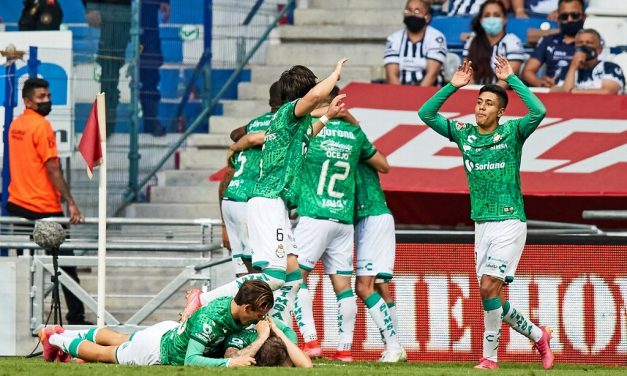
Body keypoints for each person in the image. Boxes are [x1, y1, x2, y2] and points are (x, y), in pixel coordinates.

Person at [180, 59, 349, 326]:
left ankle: (276, 328)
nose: (318, 95)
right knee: (274, 277)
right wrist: (336, 73)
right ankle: (202, 299)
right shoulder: (287, 114)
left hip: (277, 204)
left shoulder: (297, 123)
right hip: (268, 201)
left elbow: (307, 136)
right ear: (304, 94)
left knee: (293, 278)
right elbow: (316, 96)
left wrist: (328, 116)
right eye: (314, 90)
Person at [418, 57, 554, 370]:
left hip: (509, 220)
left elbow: (540, 111)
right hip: (482, 224)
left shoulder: (512, 133)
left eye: (489, 103)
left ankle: (489, 358)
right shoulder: (464, 133)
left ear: (501, 111)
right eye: (479, 102)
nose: (481, 107)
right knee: (491, 295)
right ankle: (537, 334)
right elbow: (425, 114)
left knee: (488, 285)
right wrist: (453, 86)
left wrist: (513, 78)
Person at [292, 89, 390, 362]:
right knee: (343, 287)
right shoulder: (354, 135)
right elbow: (383, 164)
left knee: (295, 277)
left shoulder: (310, 129)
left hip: (314, 214)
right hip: (343, 220)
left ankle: (310, 342)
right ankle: (345, 350)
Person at [39, 280, 273, 367]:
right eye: (258, 314)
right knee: (108, 354)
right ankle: (54, 339)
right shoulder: (210, 321)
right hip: (157, 351)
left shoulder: (232, 305)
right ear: (246, 307)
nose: (260, 319)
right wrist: (228, 365)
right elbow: (191, 360)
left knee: (120, 339)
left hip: (168, 331)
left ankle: (65, 332)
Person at [7, 78, 89, 325]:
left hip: (16, 204)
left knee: (27, 264)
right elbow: (53, 167)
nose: (47, 100)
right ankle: (76, 318)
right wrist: (71, 202)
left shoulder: (15, 125)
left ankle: (22, 319)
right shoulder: (41, 126)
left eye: (49, 95)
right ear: (28, 101)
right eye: (41, 96)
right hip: (44, 207)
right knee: (65, 266)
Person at [219, 81, 281, 277]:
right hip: (249, 203)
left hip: (230, 200)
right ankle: (204, 299)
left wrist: (223, 225)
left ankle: (234, 306)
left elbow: (234, 135)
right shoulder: (285, 125)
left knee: (242, 274)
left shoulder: (253, 125)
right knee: (261, 274)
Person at [353, 162, 405, 363]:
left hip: (372, 216)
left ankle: (394, 346)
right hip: (370, 216)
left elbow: (384, 164)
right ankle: (394, 346)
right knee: (380, 285)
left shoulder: (355, 143)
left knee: (364, 287)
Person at [83, 0, 131, 137]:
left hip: (138, 12)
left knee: (148, 67)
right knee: (109, 74)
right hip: (110, 15)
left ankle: (107, 123)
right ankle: (106, 123)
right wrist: (91, 6)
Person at [521, 0, 586, 88]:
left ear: (584, 16)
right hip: (553, 92)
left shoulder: (592, 42)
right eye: (564, 16)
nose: (570, 19)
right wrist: (541, 83)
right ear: (558, 18)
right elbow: (527, 72)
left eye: (574, 15)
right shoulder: (548, 41)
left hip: (581, 91)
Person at [384, 0, 447, 86]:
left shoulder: (436, 37)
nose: (412, 14)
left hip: (430, 94)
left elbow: (432, 75)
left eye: (417, 11)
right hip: (399, 92)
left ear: (427, 17)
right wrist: (399, 96)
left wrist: (417, 97)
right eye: (408, 10)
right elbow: (391, 75)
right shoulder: (394, 38)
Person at [463, 0, 525, 87]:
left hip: (504, 95)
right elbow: (467, 74)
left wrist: (490, 96)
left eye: (496, 15)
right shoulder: (472, 40)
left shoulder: (513, 42)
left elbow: (508, 79)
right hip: (475, 94)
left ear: (504, 20)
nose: (491, 19)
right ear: (481, 20)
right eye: (487, 15)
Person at [550, 29, 625, 94]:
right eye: (580, 42)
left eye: (589, 43)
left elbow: (608, 91)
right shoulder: (567, 69)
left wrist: (573, 92)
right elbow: (560, 92)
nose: (584, 45)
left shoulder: (609, 68)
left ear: (599, 49)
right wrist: (573, 68)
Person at [223, 317, 312, 368]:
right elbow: (230, 360)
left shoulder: (284, 331)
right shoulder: (240, 334)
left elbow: (306, 365)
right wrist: (262, 337)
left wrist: (278, 331)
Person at [139, 0, 169, 136]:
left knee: (150, 70)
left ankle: (150, 121)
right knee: (110, 69)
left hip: (147, 12)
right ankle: (106, 125)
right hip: (118, 11)